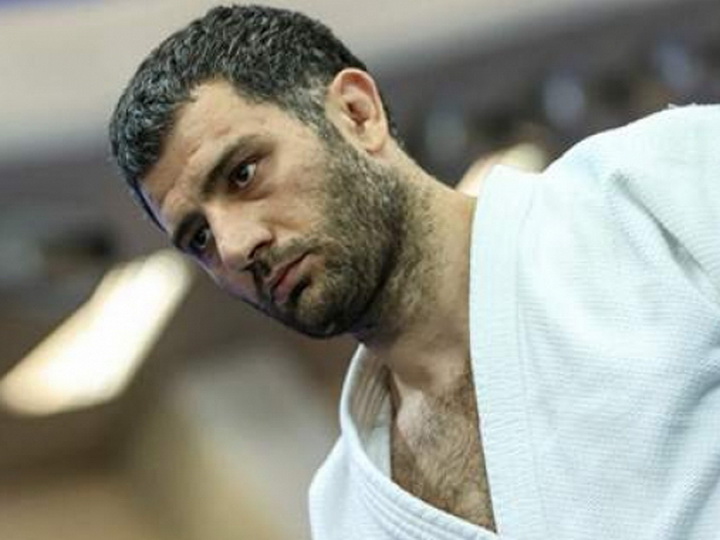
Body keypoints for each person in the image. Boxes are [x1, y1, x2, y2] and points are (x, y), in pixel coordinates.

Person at [109, 5, 720, 540]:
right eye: (199, 237)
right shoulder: (345, 511)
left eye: (243, 173)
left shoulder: (651, 189)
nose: (236, 247)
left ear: (357, 113)